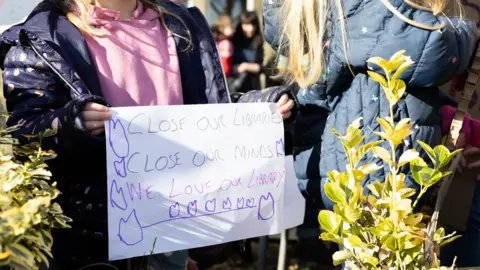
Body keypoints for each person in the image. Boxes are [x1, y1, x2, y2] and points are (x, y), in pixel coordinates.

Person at [0, 0, 295, 269]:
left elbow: (208, 111)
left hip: (178, 224)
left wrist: (259, 109)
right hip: (92, 240)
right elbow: (26, 133)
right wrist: (70, 123)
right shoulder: (40, 37)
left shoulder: (180, 25)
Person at [262, 0, 478, 211]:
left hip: (339, 163)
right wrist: (469, 31)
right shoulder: (372, 8)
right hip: (376, 172)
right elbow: (439, 47)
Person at [230, 11, 264, 93]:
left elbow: (265, 67)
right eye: (247, 24)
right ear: (240, 25)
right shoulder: (233, 40)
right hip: (233, 85)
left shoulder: (261, 41)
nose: (251, 28)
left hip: (253, 88)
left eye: (253, 25)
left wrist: (245, 66)